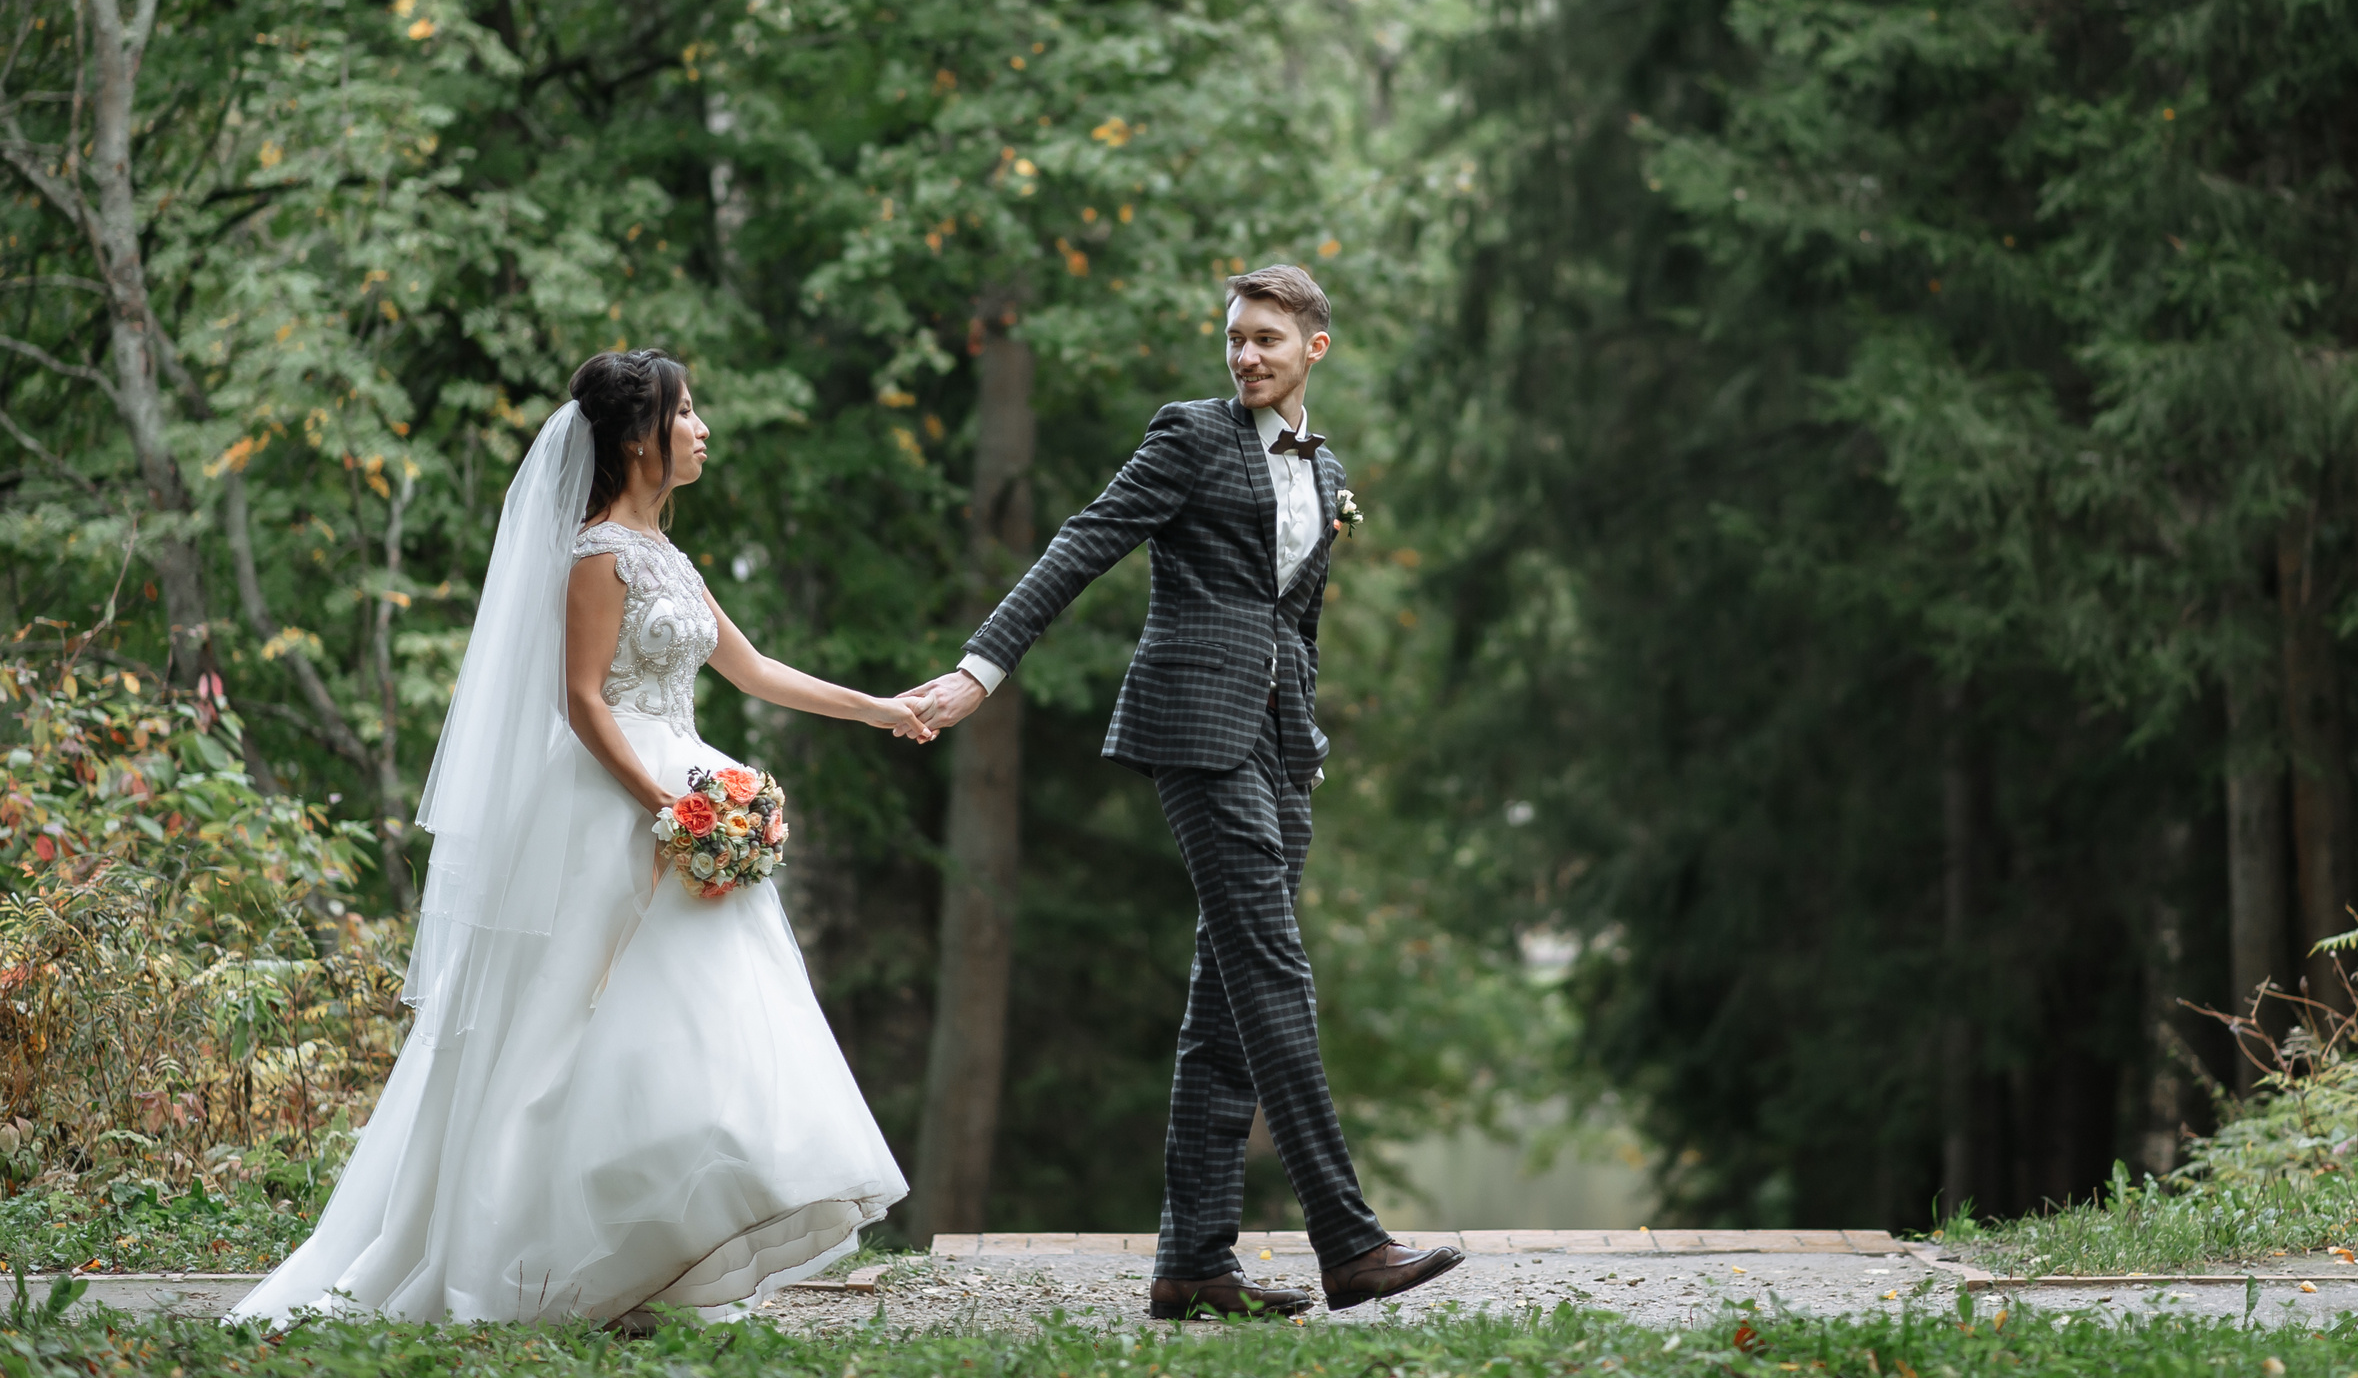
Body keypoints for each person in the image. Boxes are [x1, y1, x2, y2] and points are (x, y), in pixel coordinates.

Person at [230, 350, 930, 1329]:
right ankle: (540, 1254)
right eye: (688, 413)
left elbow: (756, 668)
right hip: (614, 805)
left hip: (687, 791)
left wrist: (880, 709)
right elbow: (583, 698)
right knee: (567, 1027)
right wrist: (664, 806)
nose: (702, 428)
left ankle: (644, 1250)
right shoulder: (595, 552)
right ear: (640, 435)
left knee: (689, 1024)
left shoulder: (667, 556)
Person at [905, 265, 1463, 1319]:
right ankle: (1348, 1240)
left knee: (1224, 1004)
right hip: (1194, 732)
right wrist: (982, 667)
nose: (1246, 355)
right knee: (1271, 967)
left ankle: (1194, 1264)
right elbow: (1084, 540)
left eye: (1267, 339)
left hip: (1279, 750)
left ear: (1314, 349)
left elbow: (1297, 621)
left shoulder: (1323, 462)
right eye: (1235, 338)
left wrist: (1308, 741)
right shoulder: (1189, 435)